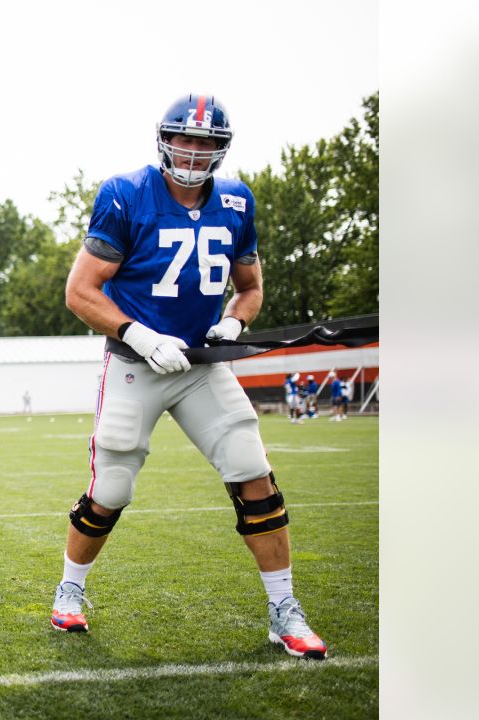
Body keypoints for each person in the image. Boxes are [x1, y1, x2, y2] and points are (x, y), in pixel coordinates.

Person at [50, 94, 327, 659]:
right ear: (164, 139)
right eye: (186, 139)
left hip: (202, 365)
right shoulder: (126, 194)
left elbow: (249, 288)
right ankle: (69, 591)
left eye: (206, 143)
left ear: (222, 149)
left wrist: (232, 321)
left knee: (252, 468)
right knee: (112, 487)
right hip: (136, 363)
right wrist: (139, 335)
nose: (194, 152)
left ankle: (284, 609)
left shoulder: (236, 200)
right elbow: (80, 291)